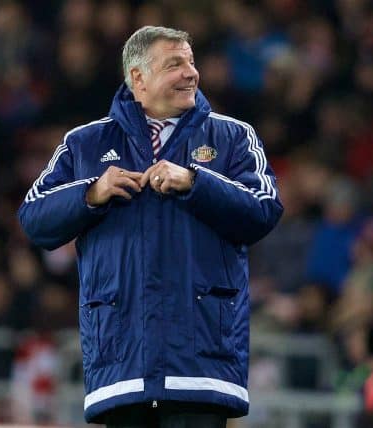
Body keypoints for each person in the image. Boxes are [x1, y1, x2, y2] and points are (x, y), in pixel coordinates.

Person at [18, 26, 283, 427]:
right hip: (120, 360)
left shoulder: (232, 137)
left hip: (202, 359)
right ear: (138, 78)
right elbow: (33, 218)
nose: (191, 73)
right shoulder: (84, 144)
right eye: (175, 64)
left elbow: (264, 209)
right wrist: (91, 192)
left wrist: (196, 181)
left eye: (191, 62)